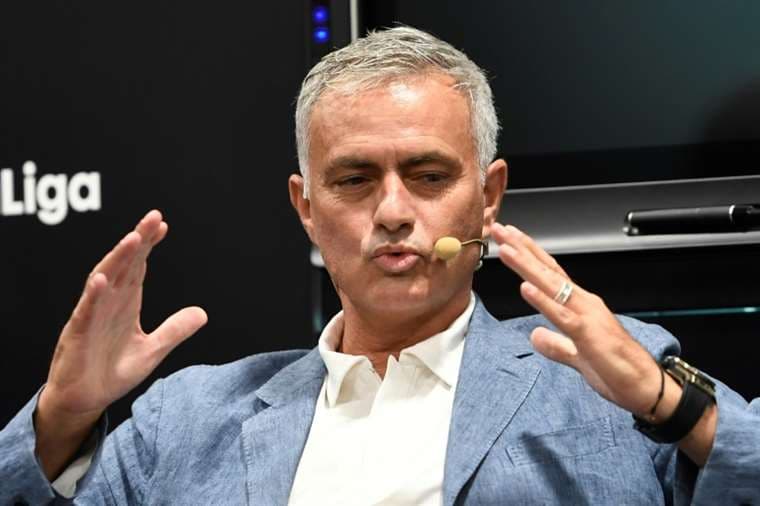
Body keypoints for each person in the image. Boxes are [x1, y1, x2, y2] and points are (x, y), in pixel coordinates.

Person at [1, 26, 758, 505]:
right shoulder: (186, 421)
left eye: (428, 176)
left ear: (487, 196)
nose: (393, 211)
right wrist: (61, 417)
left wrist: (671, 406)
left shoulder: (610, 374)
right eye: (355, 180)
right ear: (306, 207)